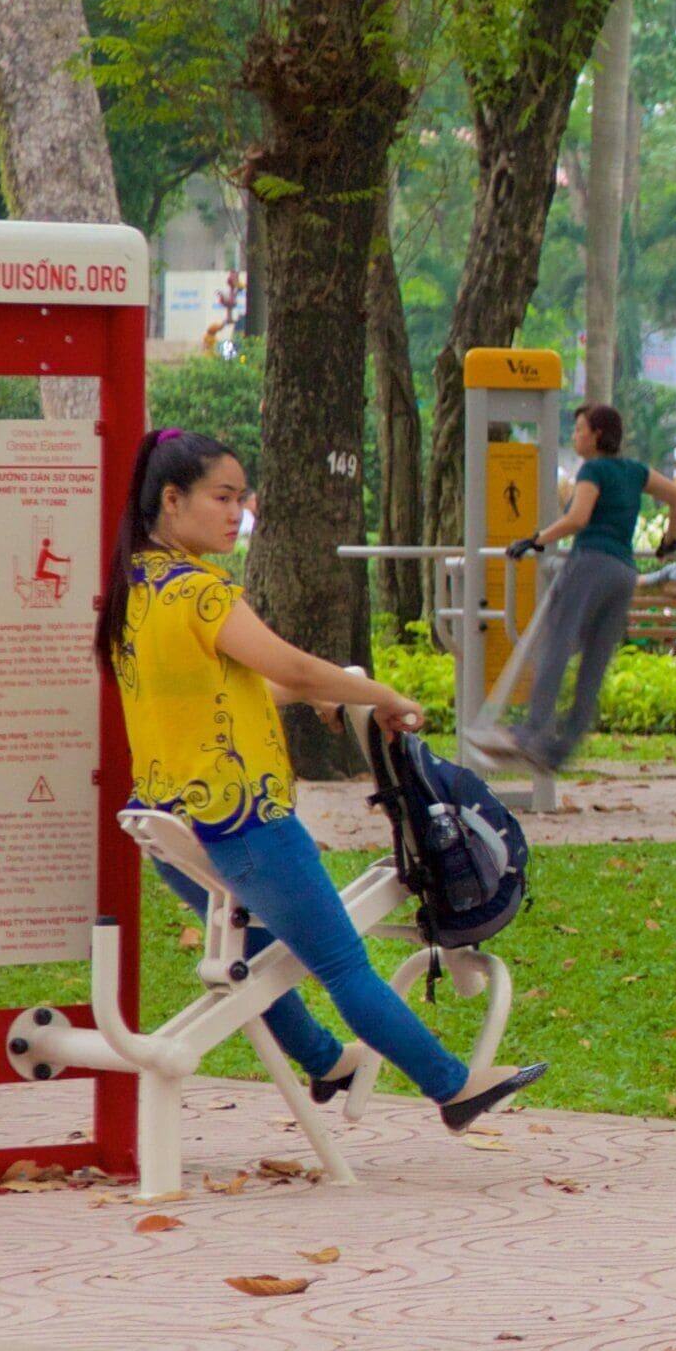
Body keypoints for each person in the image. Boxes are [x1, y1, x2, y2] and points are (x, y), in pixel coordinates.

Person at [108, 428, 546, 1131]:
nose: (236, 513)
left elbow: (217, 691)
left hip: (170, 827)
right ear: (171, 498)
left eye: (240, 499)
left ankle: (324, 1061)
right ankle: (451, 1086)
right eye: (221, 498)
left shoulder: (136, 588)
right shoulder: (200, 592)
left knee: (250, 961)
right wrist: (381, 695)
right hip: (243, 820)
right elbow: (288, 666)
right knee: (343, 965)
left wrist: (323, 692)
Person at [473, 403, 676, 775]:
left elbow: (578, 518)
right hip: (623, 573)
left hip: (590, 564)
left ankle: (531, 733)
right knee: (593, 664)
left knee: (556, 645)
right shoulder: (635, 471)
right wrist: (669, 541)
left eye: (579, 430)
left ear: (597, 434)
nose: (575, 437)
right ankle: (558, 751)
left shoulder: (594, 469)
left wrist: (535, 539)